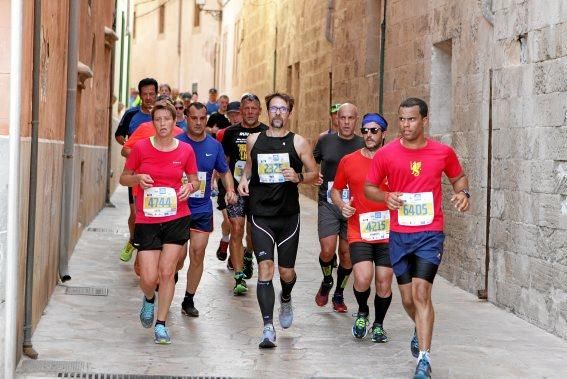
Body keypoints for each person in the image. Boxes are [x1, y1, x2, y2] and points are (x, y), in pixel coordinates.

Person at [365, 98, 470, 379]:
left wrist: (463, 193)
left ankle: (424, 358)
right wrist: (386, 196)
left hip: (429, 234)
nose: (405, 125)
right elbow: (369, 188)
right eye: (402, 119)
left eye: (411, 119)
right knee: (409, 299)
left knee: (423, 293)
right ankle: (419, 325)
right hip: (399, 235)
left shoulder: (442, 152)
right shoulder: (386, 154)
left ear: (424, 121)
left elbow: (459, 179)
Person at [238, 92, 319, 348]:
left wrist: (298, 177)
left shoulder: (299, 143)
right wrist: (243, 180)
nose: (277, 113)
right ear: (267, 112)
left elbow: (315, 174)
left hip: (288, 217)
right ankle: (267, 327)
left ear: (289, 113)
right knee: (265, 269)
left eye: (283, 109)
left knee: (286, 272)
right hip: (261, 214)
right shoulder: (254, 140)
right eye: (273, 108)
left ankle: (286, 296)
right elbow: (249, 167)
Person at [119, 100, 200, 344]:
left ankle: (161, 324)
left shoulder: (185, 150)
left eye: (167, 119)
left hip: (177, 217)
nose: (162, 124)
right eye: (158, 119)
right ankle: (149, 299)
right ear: (152, 122)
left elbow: (195, 180)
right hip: (147, 219)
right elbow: (124, 178)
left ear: (175, 122)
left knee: (167, 272)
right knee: (148, 277)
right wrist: (138, 179)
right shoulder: (141, 148)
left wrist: (189, 186)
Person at [331, 113, 393, 342]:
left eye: (374, 130)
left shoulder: (393, 160)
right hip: (360, 230)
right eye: (365, 130)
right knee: (363, 278)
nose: (368, 135)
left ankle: (379, 324)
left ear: (384, 134)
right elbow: (335, 190)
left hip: (388, 232)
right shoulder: (349, 160)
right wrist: (341, 205)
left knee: (384, 282)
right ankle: (363, 311)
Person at [175, 102, 237, 317]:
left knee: (198, 253)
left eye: (203, 118)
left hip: (201, 209)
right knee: (179, 258)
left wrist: (230, 189)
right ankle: (171, 275)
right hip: (177, 209)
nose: (199, 122)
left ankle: (188, 299)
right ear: (187, 118)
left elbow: (224, 170)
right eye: (194, 118)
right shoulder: (176, 142)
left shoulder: (213, 146)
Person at [313, 103, 363, 313]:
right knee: (327, 250)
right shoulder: (325, 140)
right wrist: (313, 175)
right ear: (336, 119)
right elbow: (311, 161)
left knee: (346, 255)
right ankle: (327, 280)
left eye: (350, 118)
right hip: (329, 202)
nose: (346, 122)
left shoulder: (363, 143)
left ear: (356, 120)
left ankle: (339, 293)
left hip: (354, 206)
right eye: (342, 118)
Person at [221, 94, 268, 294]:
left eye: (253, 108)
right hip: (237, 190)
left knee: (253, 234)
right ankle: (239, 276)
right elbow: (223, 163)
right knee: (237, 228)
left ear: (259, 111)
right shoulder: (230, 133)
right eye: (246, 108)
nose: (250, 112)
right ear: (241, 110)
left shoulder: (267, 132)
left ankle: (249, 254)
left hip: (259, 191)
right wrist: (228, 188)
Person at [115, 78, 158, 263]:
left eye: (151, 94)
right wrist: (130, 150)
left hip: (158, 171)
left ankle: (148, 246)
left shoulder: (161, 114)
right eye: (145, 94)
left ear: (156, 94)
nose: (148, 97)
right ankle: (133, 240)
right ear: (140, 95)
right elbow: (119, 135)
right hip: (134, 172)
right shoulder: (132, 114)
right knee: (135, 213)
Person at [214, 100, 242, 263]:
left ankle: (234, 256)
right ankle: (225, 240)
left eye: (236, 114)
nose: (234, 117)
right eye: (231, 114)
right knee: (229, 221)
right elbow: (219, 159)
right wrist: (214, 178)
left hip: (243, 184)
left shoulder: (251, 134)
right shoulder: (222, 134)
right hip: (225, 183)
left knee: (238, 225)